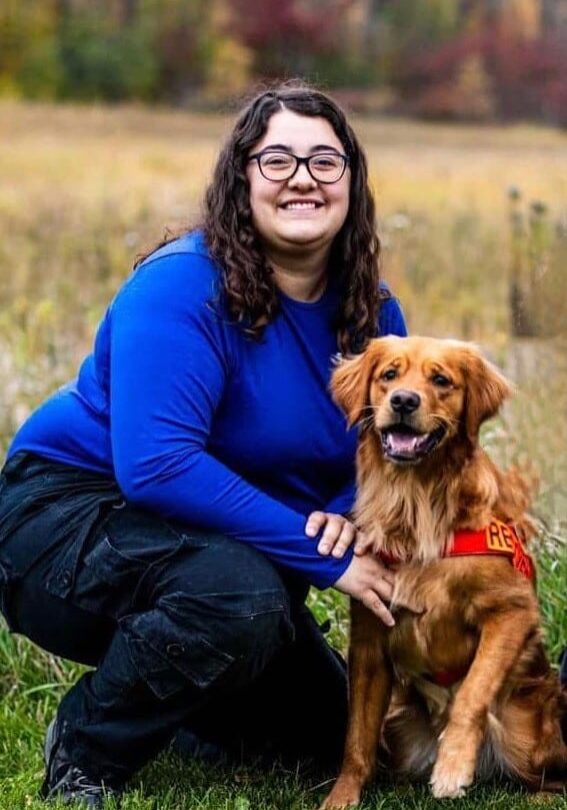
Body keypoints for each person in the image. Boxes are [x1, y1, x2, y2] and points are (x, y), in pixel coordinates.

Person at [0, 82, 407, 807]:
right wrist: (321, 553)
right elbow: (157, 465)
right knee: (239, 599)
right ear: (241, 176)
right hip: (66, 515)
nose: (302, 178)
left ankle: (186, 709)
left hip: (212, 543)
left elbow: (380, 443)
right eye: (276, 159)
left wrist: (348, 512)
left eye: (325, 160)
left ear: (352, 179)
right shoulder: (183, 285)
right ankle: (87, 750)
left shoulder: (368, 309)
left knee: (335, 734)